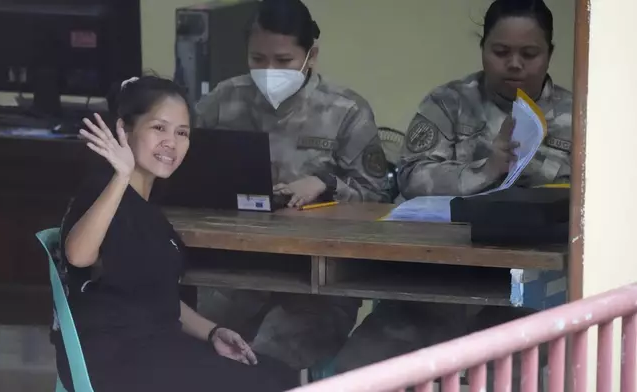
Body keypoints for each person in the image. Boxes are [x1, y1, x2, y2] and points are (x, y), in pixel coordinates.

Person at [334, 0, 572, 386]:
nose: (514, 64)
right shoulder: (448, 104)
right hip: (437, 281)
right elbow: (411, 175)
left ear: (549, 54)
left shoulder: (579, 114)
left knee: (511, 373)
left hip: (529, 293)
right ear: (482, 49)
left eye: (529, 54)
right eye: (500, 52)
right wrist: (485, 170)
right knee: (359, 368)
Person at [53, 75, 297, 392]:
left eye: (182, 133)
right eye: (159, 128)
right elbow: (79, 254)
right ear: (124, 131)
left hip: (156, 348)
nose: (172, 141)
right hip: (113, 362)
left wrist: (212, 332)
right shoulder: (103, 194)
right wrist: (121, 176)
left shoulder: (148, 210)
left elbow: (156, 297)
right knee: (264, 385)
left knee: (279, 374)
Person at [193, 0, 390, 371]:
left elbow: (378, 194)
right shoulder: (224, 100)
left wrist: (327, 183)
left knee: (266, 364)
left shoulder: (345, 111)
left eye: (283, 61)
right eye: (258, 59)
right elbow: (185, 163)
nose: (269, 71)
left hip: (316, 281)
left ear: (310, 56)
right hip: (236, 271)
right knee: (195, 354)